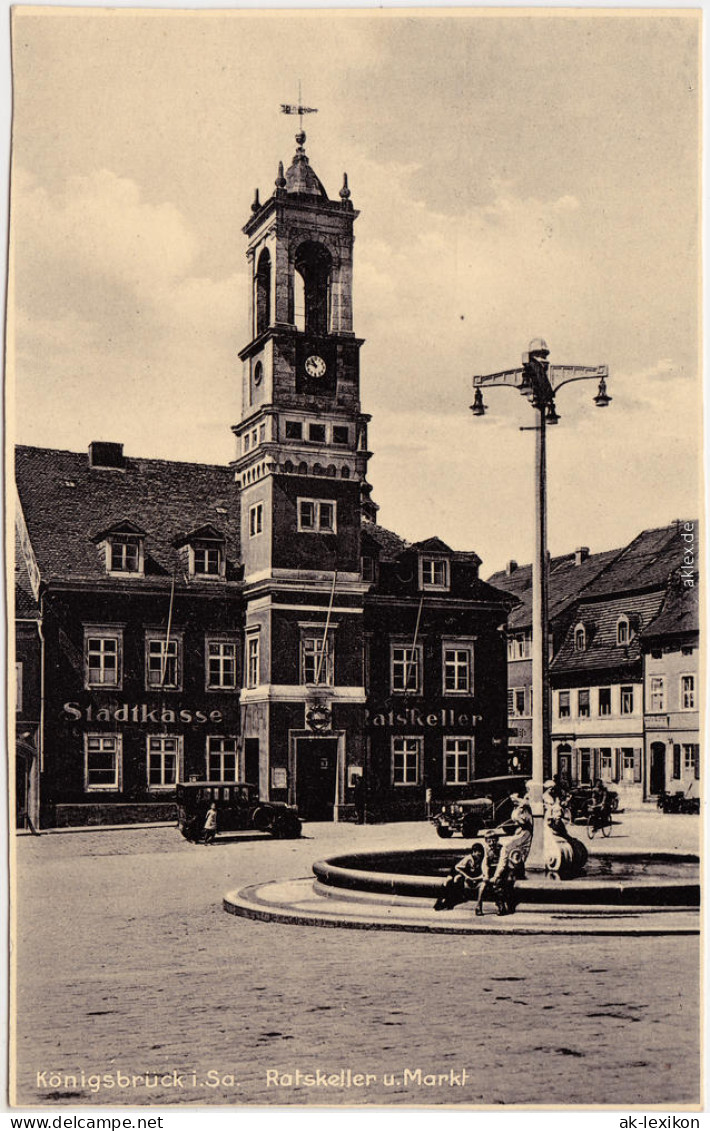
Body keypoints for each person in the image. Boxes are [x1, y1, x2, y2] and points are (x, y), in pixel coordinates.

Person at [434, 843, 485, 911]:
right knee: (448, 881)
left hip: (464, 873)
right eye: (478, 852)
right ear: (473, 852)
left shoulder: (481, 859)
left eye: (481, 852)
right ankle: (440, 900)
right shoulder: (469, 858)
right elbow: (457, 868)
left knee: (456, 880)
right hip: (457, 871)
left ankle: (450, 901)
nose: (480, 854)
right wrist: (467, 876)